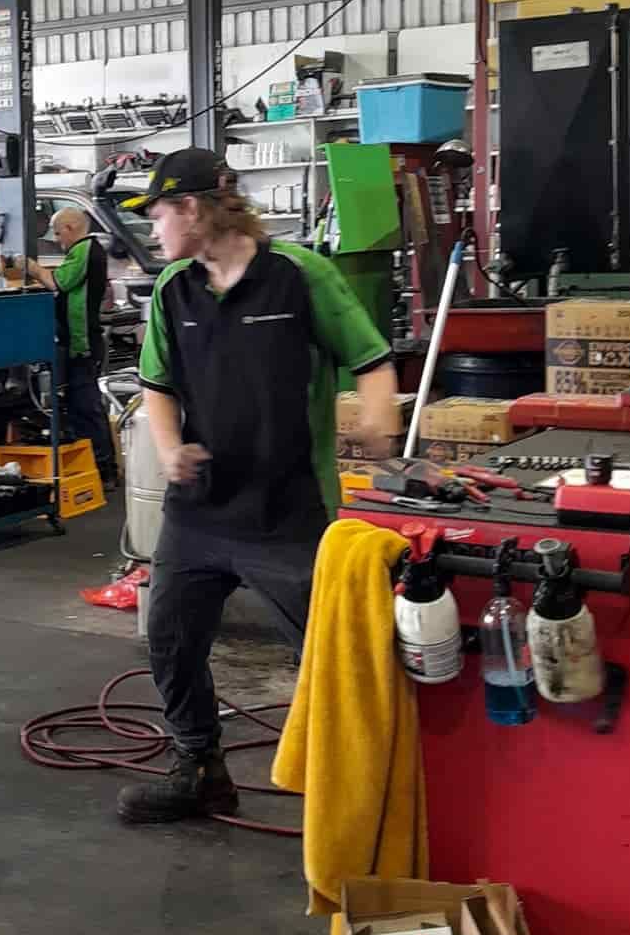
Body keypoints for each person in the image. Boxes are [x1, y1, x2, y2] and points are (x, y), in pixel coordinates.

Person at [113, 148, 397, 826]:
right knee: (171, 641)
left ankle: (361, 799)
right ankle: (199, 769)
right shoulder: (173, 291)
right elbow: (156, 386)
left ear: (191, 208)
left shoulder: (300, 277)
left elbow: (373, 359)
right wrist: (171, 447)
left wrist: (382, 426)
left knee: (335, 658)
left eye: (157, 215)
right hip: (201, 512)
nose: (154, 232)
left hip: (288, 511)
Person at [28, 206, 117, 486]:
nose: (57, 239)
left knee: (86, 406)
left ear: (70, 228)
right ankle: (92, 466)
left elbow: (60, 282)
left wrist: (30, 267)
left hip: (83, 343)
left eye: (57, 232)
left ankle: (104, 468)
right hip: (76, 342)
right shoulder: (83, 252)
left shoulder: (85, 249)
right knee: (78, 407)